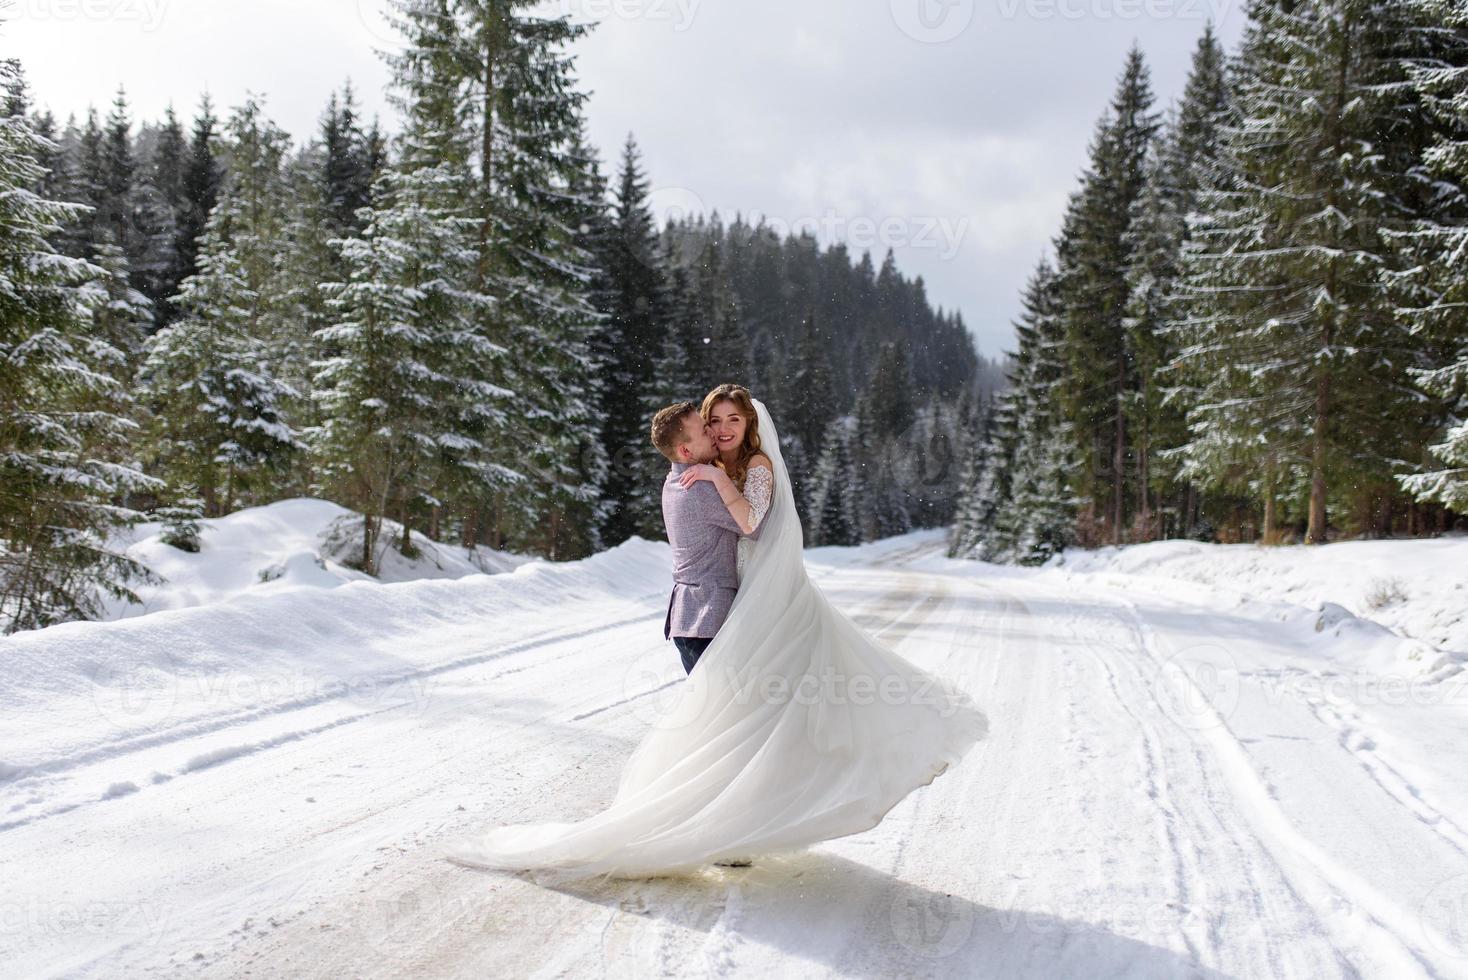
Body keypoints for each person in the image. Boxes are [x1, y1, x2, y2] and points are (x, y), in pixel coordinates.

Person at [439, 389, 989, 883]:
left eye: (728, 421)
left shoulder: (718, 471)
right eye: (709, 423)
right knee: (727, 734)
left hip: (711, 611)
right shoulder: (702, 481)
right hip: (711, 615)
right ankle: (711, 829)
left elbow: (752, 521)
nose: (718, 430)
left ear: (750, 424)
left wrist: (722, 474)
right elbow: (748, 524)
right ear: (689, 444)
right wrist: (722, 476)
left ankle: (734, 826)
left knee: (740, 729)